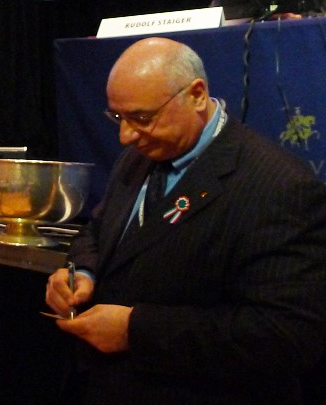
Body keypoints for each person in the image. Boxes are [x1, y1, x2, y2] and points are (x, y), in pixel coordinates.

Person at [44, 37, 326, 403]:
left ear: (196, 95)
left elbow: (286, 335)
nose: (125, 135)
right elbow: (98, 230)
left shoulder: (281, 186)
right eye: (117, 117)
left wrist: (135, 331)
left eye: (141, 118)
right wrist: (82, 272)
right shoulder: (141, 154)